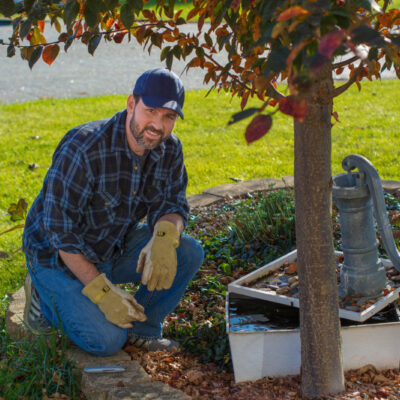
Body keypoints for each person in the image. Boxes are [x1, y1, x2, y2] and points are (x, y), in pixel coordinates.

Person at [22, 67, 204, 355]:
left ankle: (143, 329)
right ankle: (43, 296)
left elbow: (173, 203)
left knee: (188, 252)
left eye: (168, 117)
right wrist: (102, 293)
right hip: (57, 256)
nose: (157, 125)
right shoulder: (84, 147)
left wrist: (165, 237)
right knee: (106, 341)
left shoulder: (168, 148)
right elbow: (60, 233)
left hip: (112, 244)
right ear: (131, 104)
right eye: (151, 111)